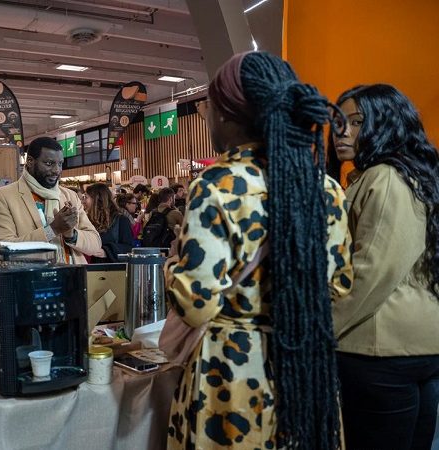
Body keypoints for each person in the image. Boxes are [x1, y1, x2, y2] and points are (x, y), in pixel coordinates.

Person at [166, 52, 353, 449]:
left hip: (230, 375)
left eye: (207, 108)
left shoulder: (216, 186)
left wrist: (172, 267)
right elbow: (338, 287)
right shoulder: (326, 189)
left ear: (227, 115)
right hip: (305, 367)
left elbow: (197, 303)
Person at [329, 84, 439, 450]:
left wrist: (322, 329)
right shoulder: (410, 175)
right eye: (339, 121)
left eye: (357, 122)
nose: (342, 132)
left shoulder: (384, 177)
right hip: (413, 345)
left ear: (386, 124)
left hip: (377, 348)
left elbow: (372, 270)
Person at [0, 137, 101, 263]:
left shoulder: (70, 196)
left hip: (72, 278)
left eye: (60, 163)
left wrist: (71, 234)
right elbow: (2, 249)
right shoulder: (4, 196)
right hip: (32, 279)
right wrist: (52, 230)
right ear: (30, 161)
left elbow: (95, 244)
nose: (56, 170)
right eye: (49, 163)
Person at [84, 183, 133, 263]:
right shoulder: (87, 220)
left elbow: (128, 248)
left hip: (110, 271)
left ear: (97, 199)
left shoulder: (121, 220)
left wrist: (106, 251)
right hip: (87, 269)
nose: (83, 201)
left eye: (86, 197)